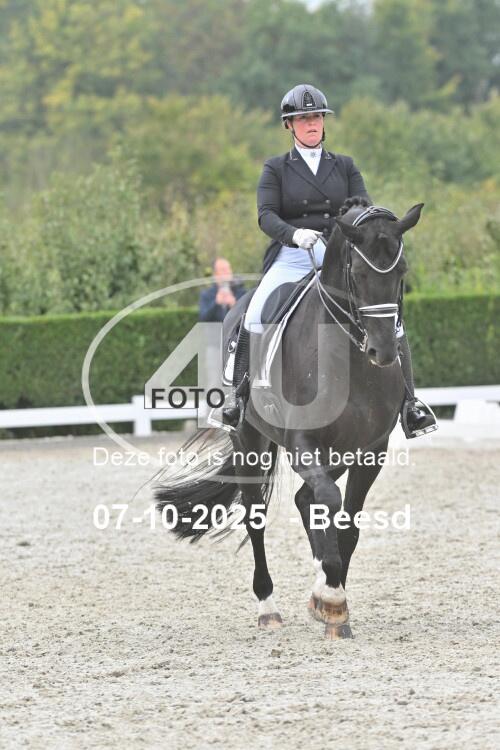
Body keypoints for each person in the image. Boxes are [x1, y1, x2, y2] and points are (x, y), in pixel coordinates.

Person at [223, 83, 436, 438]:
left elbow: (363, 208)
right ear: (290, 125)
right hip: (292, 255)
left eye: (317, 117)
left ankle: (410, 405)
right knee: (256, 312)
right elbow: (265, 215)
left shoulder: (345, 166)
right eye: (303, 118)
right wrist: (294, 234)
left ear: (323, 122)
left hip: (339, 254)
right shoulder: (276, 168)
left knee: (391, 317)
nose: (311, 124)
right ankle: (239, 397)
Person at [199, 257, 246, 322]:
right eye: (223, 270)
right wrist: (216, 303)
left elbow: (246, 317)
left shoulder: (242, 293)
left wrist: (234, 305)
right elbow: (203, 319)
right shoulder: (206, 295)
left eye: (229, 268)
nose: (228, 272)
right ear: (215, 274)